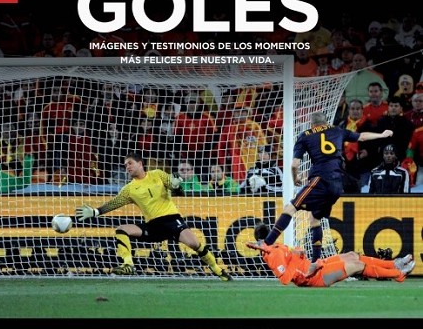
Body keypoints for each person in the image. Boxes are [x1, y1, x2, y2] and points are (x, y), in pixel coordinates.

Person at [255, 111, 394, 262]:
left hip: (320, 180)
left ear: (311, 124)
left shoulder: (305, 135)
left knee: (290, 208)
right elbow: (361, 136)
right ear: (326, 122)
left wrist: (295, 178)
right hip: (337, 186)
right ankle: (316, 262)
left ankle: (266, 243)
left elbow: (295, 164)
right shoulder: (337, 130)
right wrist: (382, 135)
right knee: (314, 218)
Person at [75, 151, 232, 281]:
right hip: (153, 226)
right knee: (122, 230)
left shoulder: (157, 174)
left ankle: (218, 270)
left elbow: (177, 190)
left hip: (171, 219)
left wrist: (176, 186)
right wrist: (95, 212)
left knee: (195, 244)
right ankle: (128, 264)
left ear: (140, 163)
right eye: (125, 165)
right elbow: (114, 203)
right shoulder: (129, 189)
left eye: (130, 163)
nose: (127, 167)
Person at [246, 240, 415, 287]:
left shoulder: (277, 246)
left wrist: (299, 253)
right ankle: (398, 274)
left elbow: (296, 256)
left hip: (315, 266)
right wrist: (299, 259)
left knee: (352, 255)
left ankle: (394, 264)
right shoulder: (273, 256)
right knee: (356, 265)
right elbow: (285, 279)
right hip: (314, 278)